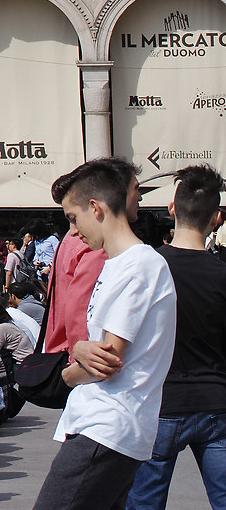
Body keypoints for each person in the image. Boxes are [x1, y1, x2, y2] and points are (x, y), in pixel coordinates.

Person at [36, 156, 180, 510]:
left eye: (73, 218)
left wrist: (71, 371)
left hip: (108, 424)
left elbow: (107, 359)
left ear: (95, 207)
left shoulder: (138, 264)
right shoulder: (119, 263)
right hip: (106, 424)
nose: (72, 231)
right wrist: (84, 348)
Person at [126, 162, 226, 510]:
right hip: (216, 402)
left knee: (144, 503)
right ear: (217, 217)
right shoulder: (221, 272)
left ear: (172, 209)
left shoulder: (148, 268)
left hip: (160, 403)